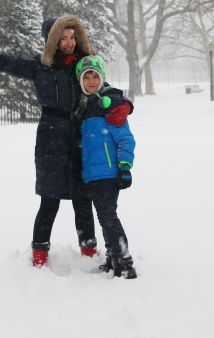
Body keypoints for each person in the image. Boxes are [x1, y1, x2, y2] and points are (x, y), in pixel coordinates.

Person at [0, 14, 132, 267]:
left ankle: (89, 251)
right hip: (50, 139)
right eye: (63, 38)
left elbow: (105, 88)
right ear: (52, 40)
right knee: (49, 199)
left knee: (83, 199)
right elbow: (7, 62)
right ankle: (39, 256)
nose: (69, 42)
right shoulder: (40, 66)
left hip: (81, 139)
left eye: (72, 37)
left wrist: (126, 105)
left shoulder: (82, 65)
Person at [73, 55, 137, 279]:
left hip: (109, 173)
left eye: (95, 76)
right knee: (104, 216)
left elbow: (125, 140)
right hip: (92, 174)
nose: (91, 81)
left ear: (102, 78)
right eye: (87, 77)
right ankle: (113, 257)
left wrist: (125, 166)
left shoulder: (109, 105)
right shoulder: (84, 107)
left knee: (108, 216)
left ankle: (125, 260)